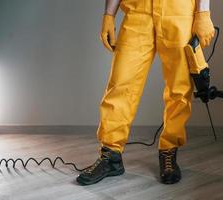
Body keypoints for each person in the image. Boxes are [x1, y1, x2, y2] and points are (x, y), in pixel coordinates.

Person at [76, 0, 215, 185]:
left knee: (179, 89)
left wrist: (203, 13)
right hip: (137, 12)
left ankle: (169, 150)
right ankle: (111, 156)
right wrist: (109, 15)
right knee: (121, 85)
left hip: (178, 11)